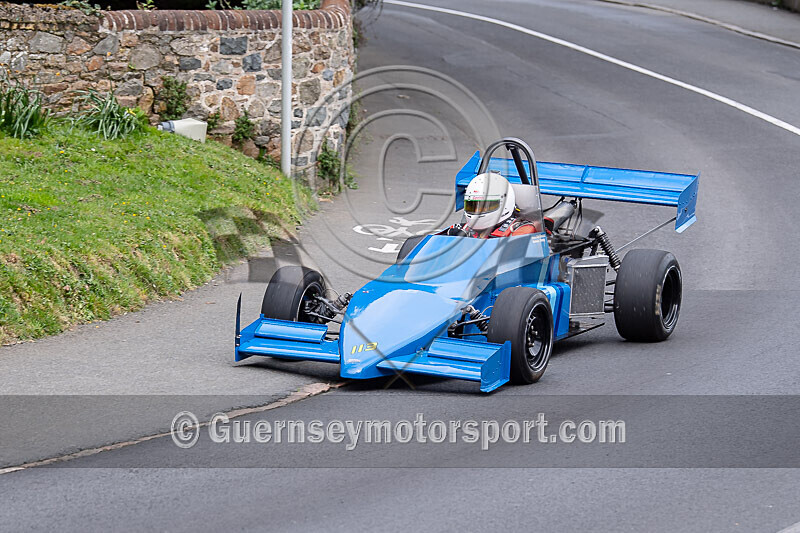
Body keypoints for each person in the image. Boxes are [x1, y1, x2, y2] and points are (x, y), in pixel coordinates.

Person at [447, 172, 540, 238]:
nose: (478, 212)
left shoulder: (522, 231)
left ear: (504, 204)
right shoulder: (460, 230)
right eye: (472, 206)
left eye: (485, 207)